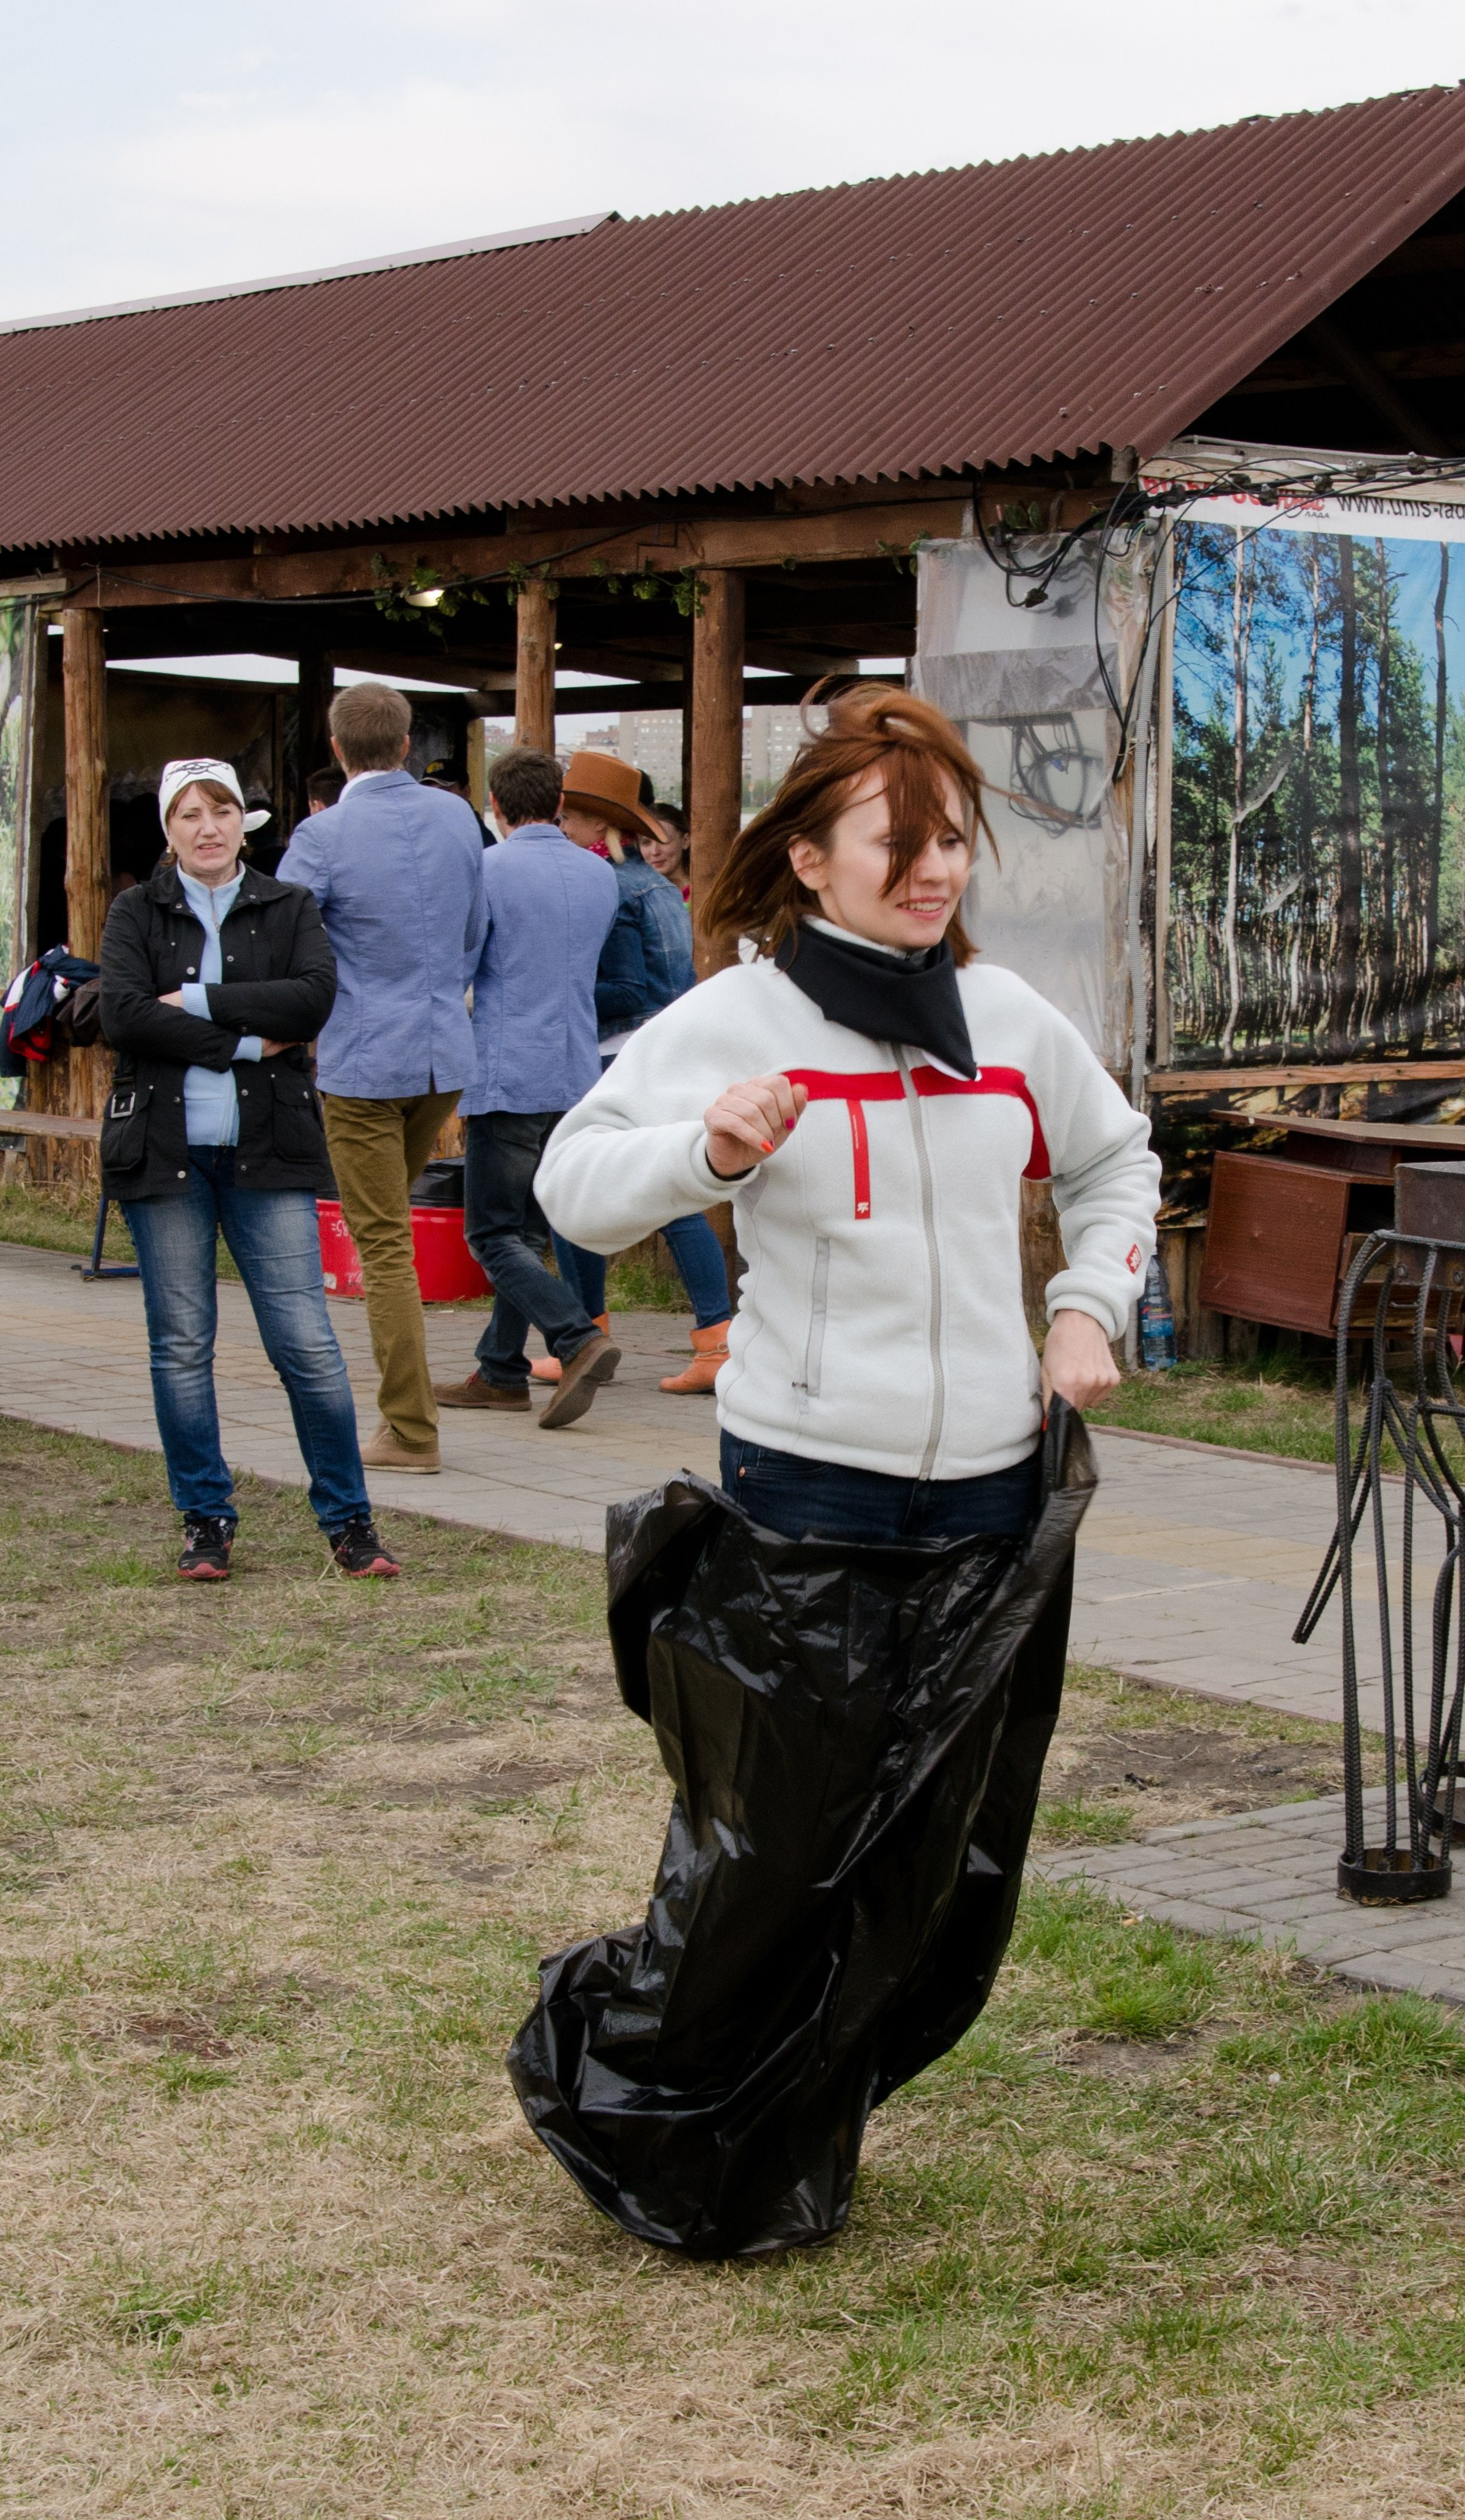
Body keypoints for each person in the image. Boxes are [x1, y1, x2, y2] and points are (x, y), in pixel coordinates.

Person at [511, 685, 1160, 2256]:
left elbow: (1113, 1159)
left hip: (991, 1509)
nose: (936, 871)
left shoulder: (1005, 1021)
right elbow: (573, 1188)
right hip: (810, 1500)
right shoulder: (732, 1022)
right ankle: (647, 2097)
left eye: (953, 843)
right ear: (808, 859)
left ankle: (795, 2148)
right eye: (899, 844)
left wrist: (1086, 1305)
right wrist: (710, 1151)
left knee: (930, 1870)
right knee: (775, 1856)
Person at [98, 757, 400, 1583]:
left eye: (222, 811)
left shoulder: (289, 904)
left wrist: (192, 1001)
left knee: (306, 1342)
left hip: (269, 1150)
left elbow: (310, 1002)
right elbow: (121, 1015)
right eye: (189, 815)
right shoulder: (136, 910)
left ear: (244, 822)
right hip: (164, 1154)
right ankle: (206, 1519)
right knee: (181, 1344)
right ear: (168, 830)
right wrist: (242, 1040)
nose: (208, 828)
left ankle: (349, 1521)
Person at [278, 681, 485, 1475]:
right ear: (405, 744)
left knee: (384, 1243)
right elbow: (474, 929)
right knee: (388, 1228)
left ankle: (410, 1428)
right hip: (442, 1053)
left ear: (336, 750)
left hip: (363, 1059)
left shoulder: (322, 835)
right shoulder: (456, 817)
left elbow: (286, 943)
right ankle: (407, 1420)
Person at [432, 748, 623, 1428]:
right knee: (528, 1233)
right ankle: (500, 1370)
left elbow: (460, 968)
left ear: (496, 806)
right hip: (574, 1070)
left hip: (508, 1069)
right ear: (559, 803)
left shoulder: (488, 870)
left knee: (491, 1234)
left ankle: (574, 1336)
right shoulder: (600, 876)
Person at [548, 748, 734, 1396]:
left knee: (585, 1188)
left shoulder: (616, 889)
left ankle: (590, 1338)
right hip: (662, 1048)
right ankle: (708, 1342)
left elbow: (625, 988)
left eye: (569, 817)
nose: (562, 827)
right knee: (667, 1198)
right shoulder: (653, 886)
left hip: (616, 1053)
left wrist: (563, 994)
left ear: (597, 824)